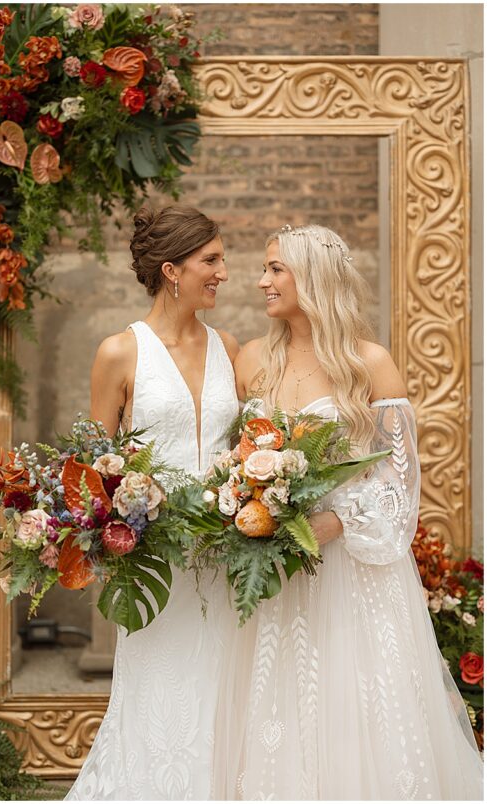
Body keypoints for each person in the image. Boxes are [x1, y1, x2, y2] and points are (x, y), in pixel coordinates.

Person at [213, 223, 483, 799]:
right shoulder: (253, 359)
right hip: (274, 564)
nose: (261, 281)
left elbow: (399, 477)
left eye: (275, 269)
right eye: (265, 269)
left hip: (352, 569)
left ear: (313, 277)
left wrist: (335, 522)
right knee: (279, 700)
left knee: (353, 702)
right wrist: (246, 504)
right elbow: (228, 456)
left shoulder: (369, 362)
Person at [67, 205, 241, 800]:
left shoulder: (230, 349)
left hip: (226, 553)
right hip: (154, 560)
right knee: (160, 690)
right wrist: (120, 526)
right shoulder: (119, 352)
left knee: (223, 684)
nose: (223, 272)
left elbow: (244, 447)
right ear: (172, 270)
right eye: (210, 261)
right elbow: (95, 466)